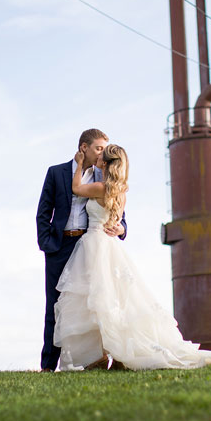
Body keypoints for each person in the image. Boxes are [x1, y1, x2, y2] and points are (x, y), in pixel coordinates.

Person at [53, 144, 211, 370]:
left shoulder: (100, 187)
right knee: (115, 301)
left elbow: (77, 188)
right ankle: (115, 355)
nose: (99, 157)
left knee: (100, 301)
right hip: (108, 246)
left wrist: (79, 163)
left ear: (108, 164)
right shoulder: (120, 192)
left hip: (96, 246)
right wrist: (119, 229)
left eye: (103, 156)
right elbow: (115, 220)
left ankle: (105, 355)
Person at [36, 129, 127, 372]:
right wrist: (46, 243)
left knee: (95, 302)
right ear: (83, 148)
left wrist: (121, 229)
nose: (103, 152)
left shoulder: (105, 177)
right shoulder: (56, 172)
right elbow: (44, 211)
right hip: (59, 246)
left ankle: (96, 358)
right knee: (55, 305)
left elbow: (119, 214)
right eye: (99, 148)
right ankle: (48, 366)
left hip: (89, 246)